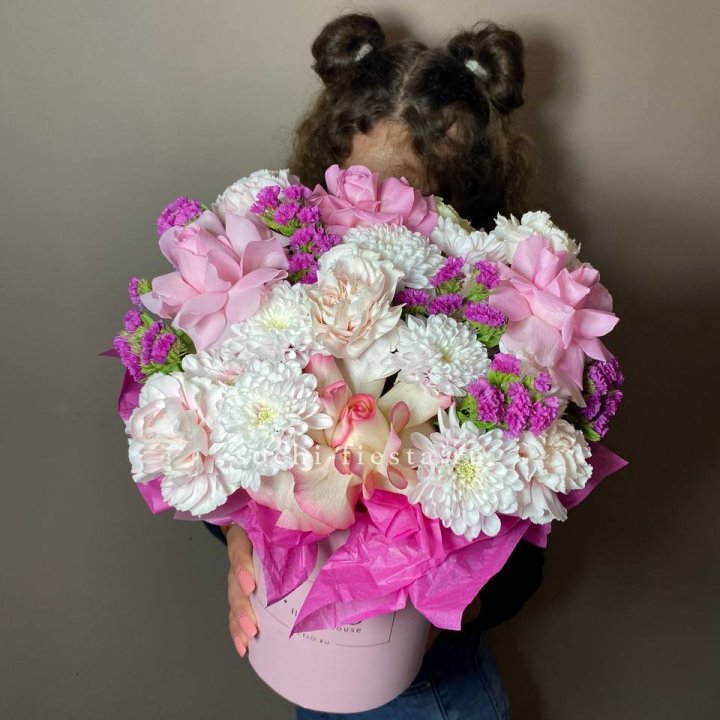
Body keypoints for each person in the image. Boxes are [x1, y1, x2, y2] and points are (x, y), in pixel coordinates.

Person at [208, 13, 545, 719]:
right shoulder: (283, 292)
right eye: (356, 189)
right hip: (305, 659)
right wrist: (240, 534)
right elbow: (223, 450)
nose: (373, 217)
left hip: (429, 688)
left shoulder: (510, 334)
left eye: (410, 199)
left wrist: (456, 589)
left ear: (464, 204)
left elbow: (527, 556)